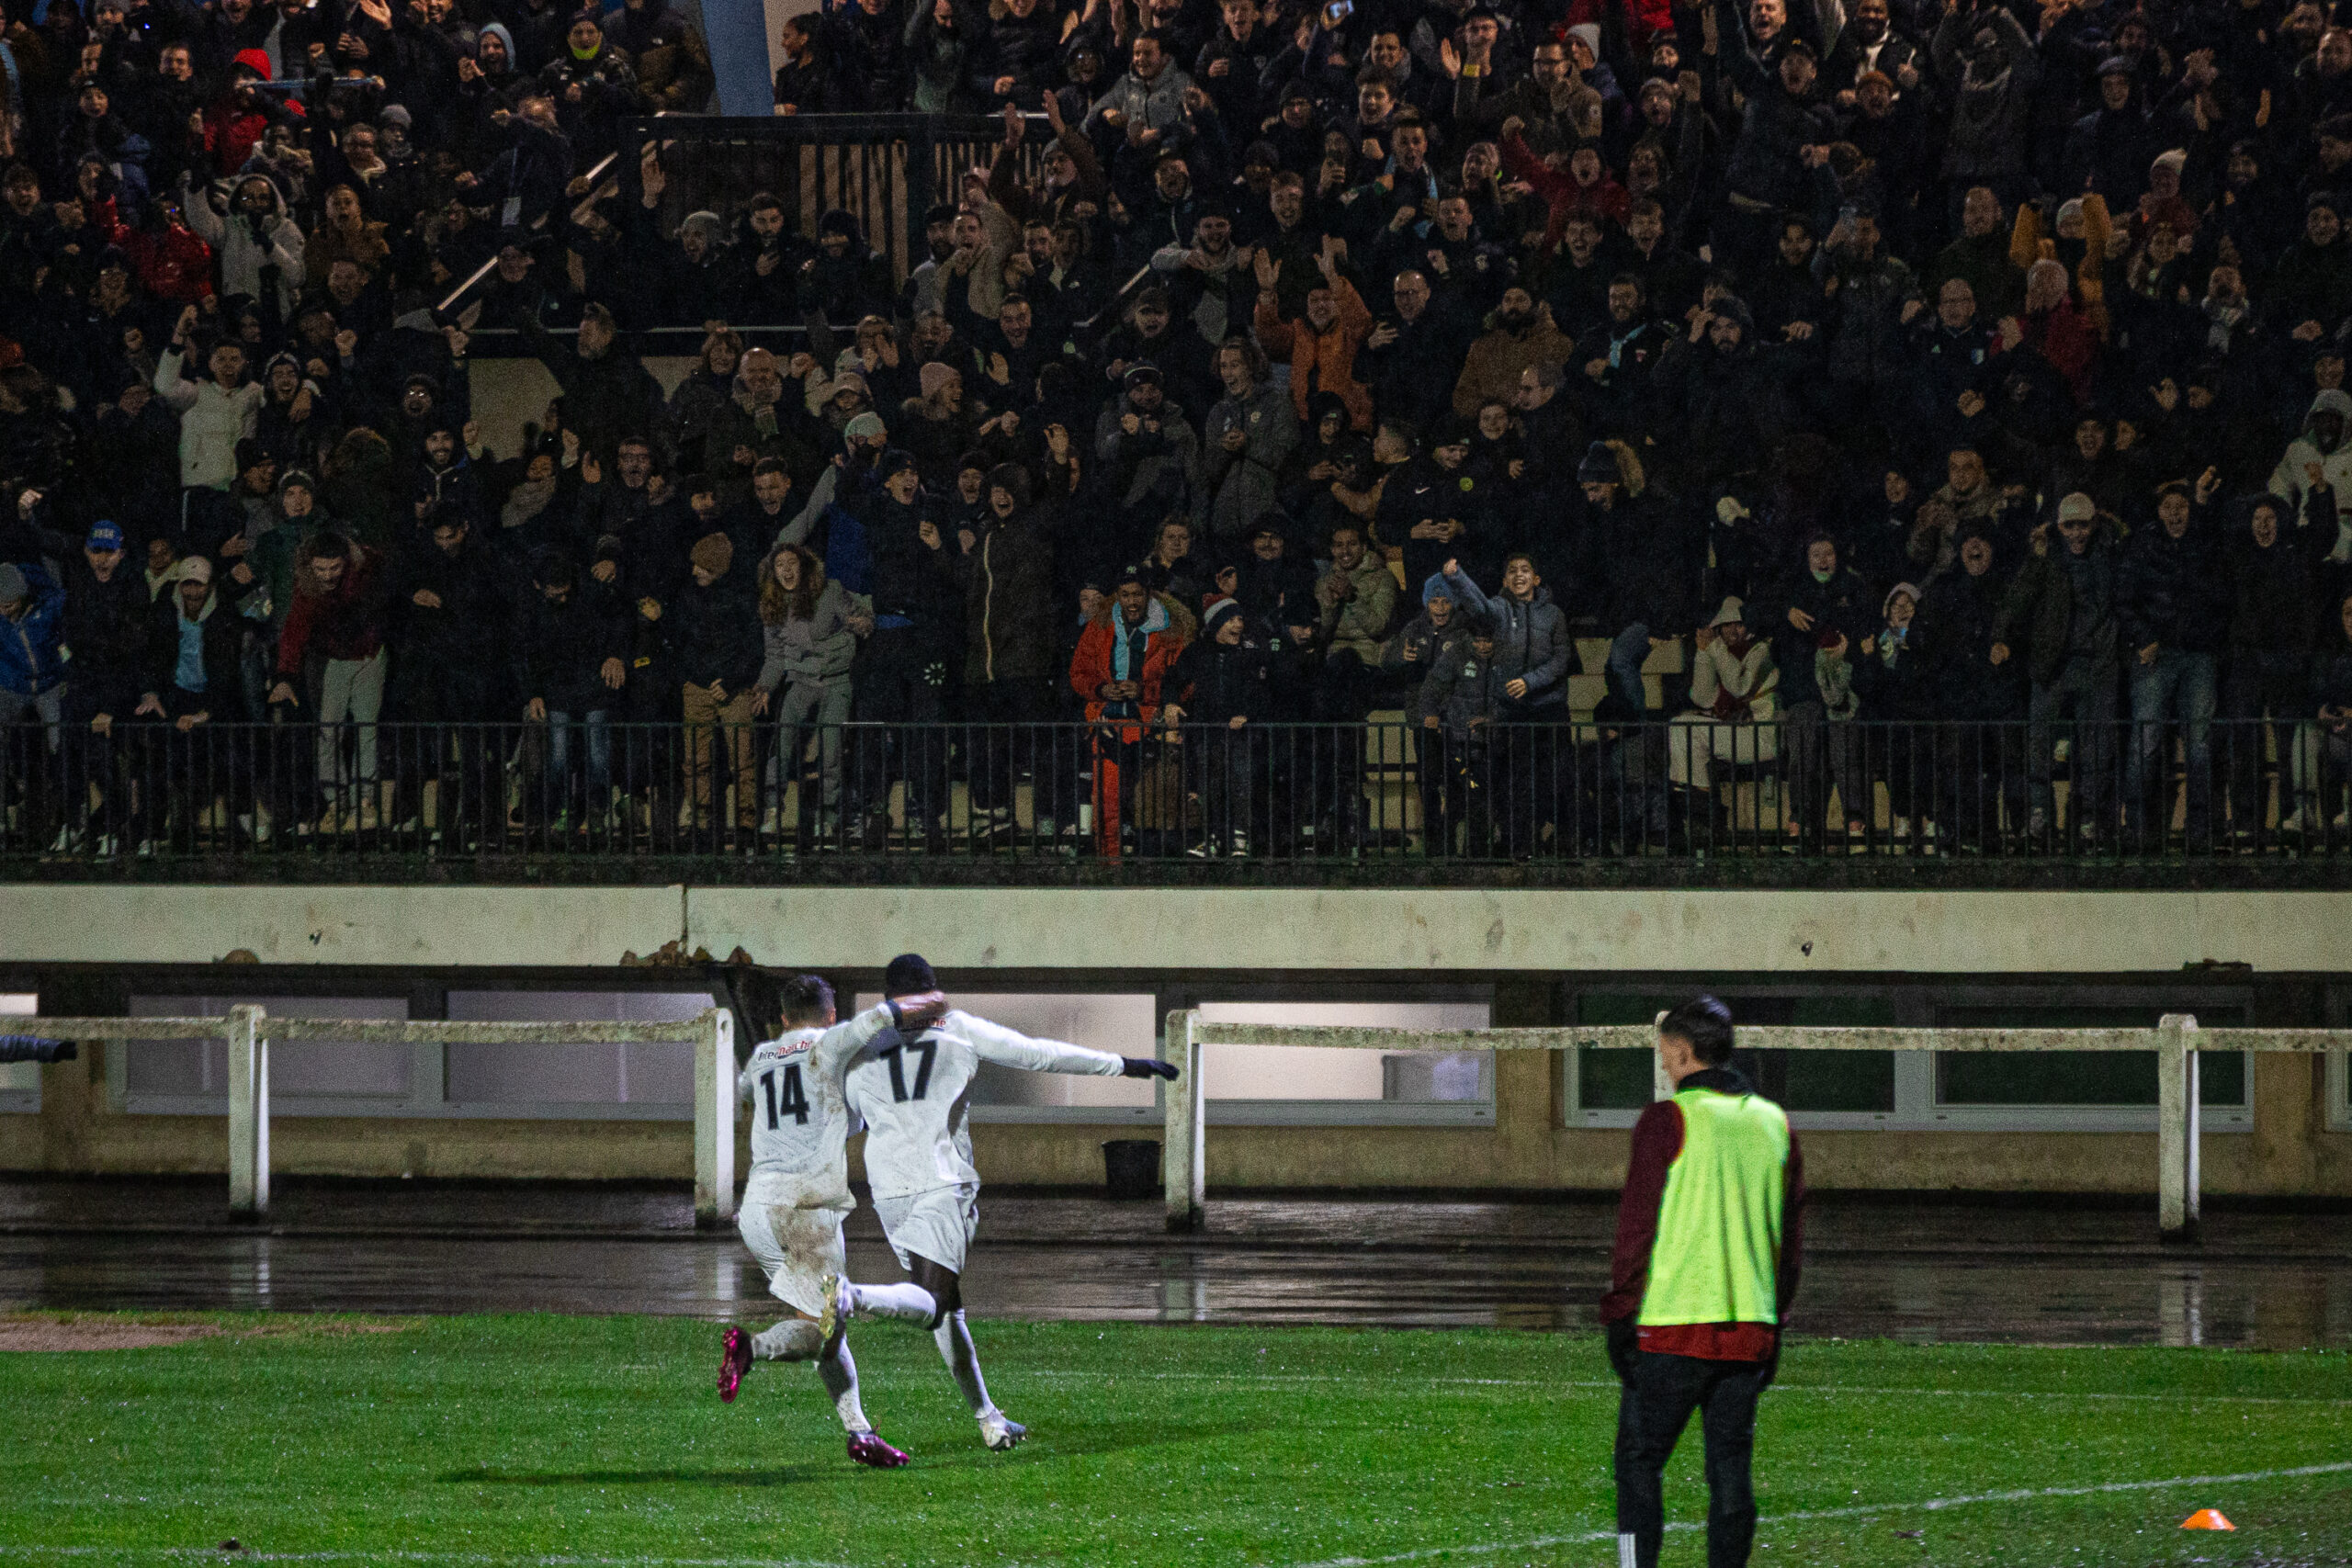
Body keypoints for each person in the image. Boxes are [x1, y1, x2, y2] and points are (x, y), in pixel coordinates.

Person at [835, 953, 1178, 1450]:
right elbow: (1038, 1054)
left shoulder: (863, 1046)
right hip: (939, 1185)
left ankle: (989, 1419)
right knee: (933, 1304)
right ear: (933, 991)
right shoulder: (957, 1027)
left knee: (948, 1312)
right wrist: (1124, 1065)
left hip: (886, 1192)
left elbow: (845, 1124)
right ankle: (850, 1296)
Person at [1601, 995, 1805, 1568]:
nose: (1664, 1065)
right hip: (1748, 1331)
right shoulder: (1775, 1124)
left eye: (1666, 1054)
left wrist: (1620, 1312)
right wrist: (1776, 1319)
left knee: (1638, 1463)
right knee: (1730, 1471)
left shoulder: (1667, 1121)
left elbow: (1636, 1227)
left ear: (1683, 1052)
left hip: (1672, 1328)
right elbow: (1789, 1243)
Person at [716, 974, 948, 1467]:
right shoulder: (832, 1042)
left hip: (756, 1208)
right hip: (804, 1210)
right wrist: (933, 1001)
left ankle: (860, 1433)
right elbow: (886, 1017)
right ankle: (750, 1349)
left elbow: (746, 1092)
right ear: (829, 1015)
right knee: (825, 1330)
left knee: (825, 1328)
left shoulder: (761, 1057)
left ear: (781, 1018)